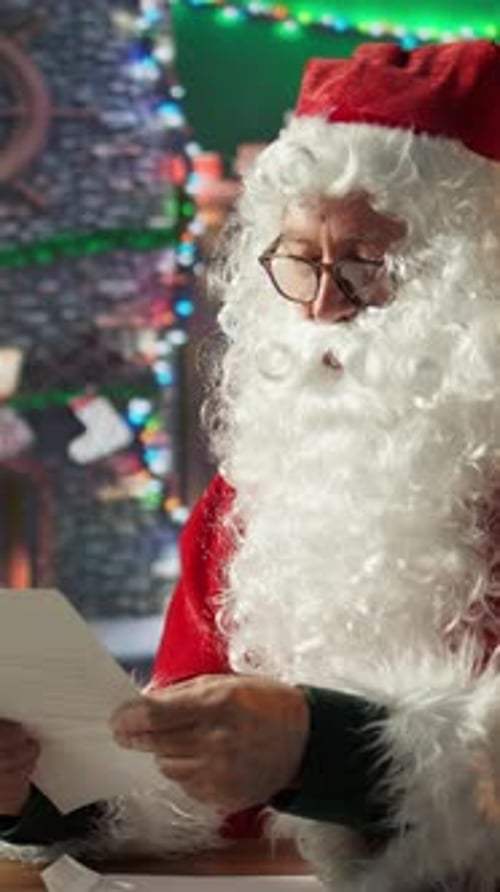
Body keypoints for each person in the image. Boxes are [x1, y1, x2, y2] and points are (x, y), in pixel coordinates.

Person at [1, 37, 500, 891]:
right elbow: (184, 785)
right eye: (301, 258)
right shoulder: (247, 502)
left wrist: (318, 747)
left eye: (367, 266)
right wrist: (41, 793)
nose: (318, 306)